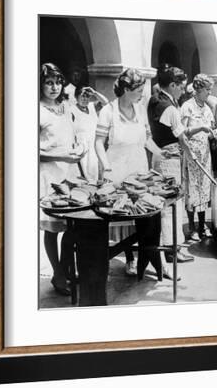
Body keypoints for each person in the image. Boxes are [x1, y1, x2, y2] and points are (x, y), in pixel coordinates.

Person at [95, 68, 165, 277]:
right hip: (116, 167)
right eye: (138, 89)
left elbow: (146, 139)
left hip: (138, 167)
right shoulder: (108, 110)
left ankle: (152, 258)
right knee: (122, 213)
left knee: (146, 213)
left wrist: (161, 152)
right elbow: (98, 142)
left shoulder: (140, 109)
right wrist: (106, 166)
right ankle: (129, 258)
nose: (142, 94)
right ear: (126, 88)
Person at [39, 63, 82, 295]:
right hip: (49, 174)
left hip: (69, 174)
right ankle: (57, 274)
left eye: (57, 82)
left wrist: (79, 150)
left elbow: (72, 135)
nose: (54, 87)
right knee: (52, 229)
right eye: (48, 82)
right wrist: (61, 155)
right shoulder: (37, 110)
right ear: (41, 85)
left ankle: (66, 268)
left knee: (72, 226)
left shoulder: (65, 107)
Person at [147, 66, 195, 266]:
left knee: (163, 204)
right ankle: (172, 250)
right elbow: (182, 138)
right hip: (170, 159)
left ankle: (167, 248)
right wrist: (192, 156)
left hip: (158, 157)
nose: (183, 91)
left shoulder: (154, 100)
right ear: (173, 85)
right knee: (171, 205)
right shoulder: (170, 108)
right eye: (181, 87)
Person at [181, 74, 217, 241]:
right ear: (198, 89)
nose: (209, 92)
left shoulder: (207, 108)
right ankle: (192, 227)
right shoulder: (187, 107)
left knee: (204, 190)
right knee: (192, 189)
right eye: (207, 89)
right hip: (191, 153)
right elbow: (182, 132)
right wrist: (200, 128)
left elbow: (213, 132)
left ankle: (202, 226)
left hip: (205, 154)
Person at [71, 85, 108, 183]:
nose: (85, 99)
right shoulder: (71, 110)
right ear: (76, 96)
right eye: (82, 96)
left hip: (94, 145)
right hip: (82, 146)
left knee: (97, 175)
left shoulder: (92, 107)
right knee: (85, 177)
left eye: (87, 96)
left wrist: (95, 93)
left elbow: (106, 102)